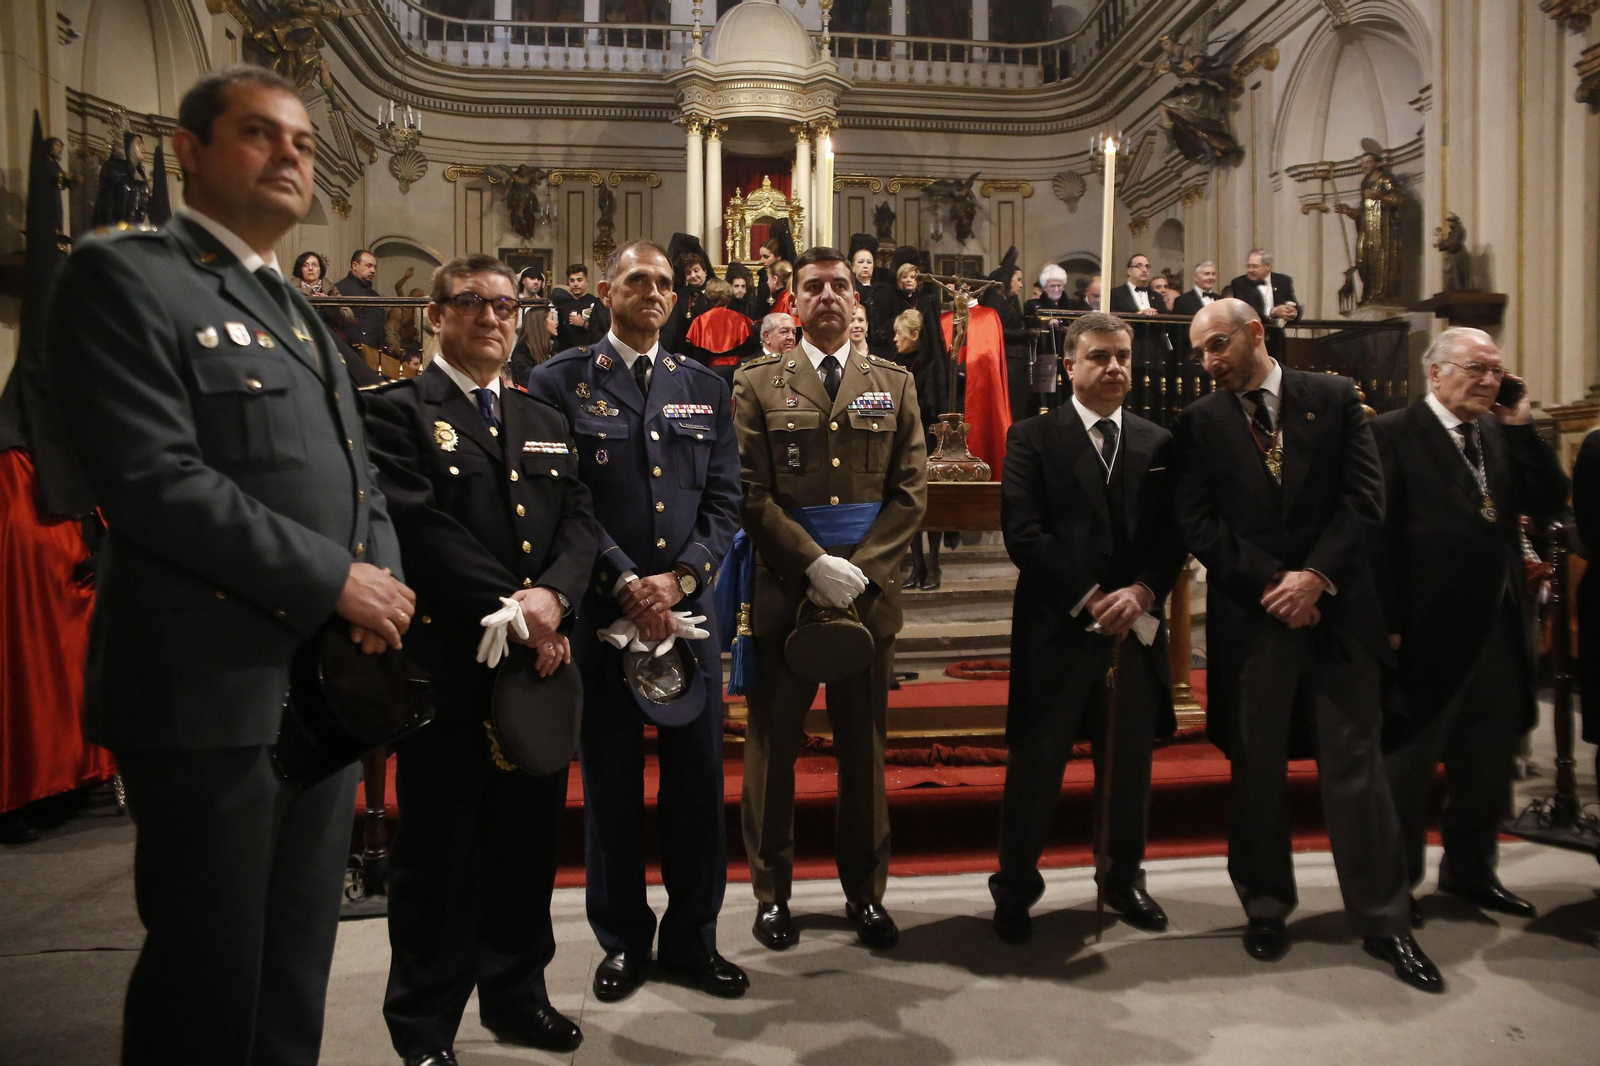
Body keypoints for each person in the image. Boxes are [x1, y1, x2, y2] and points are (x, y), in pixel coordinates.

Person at [46, 64, 417, 1064]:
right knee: (206, 979)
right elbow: (152, 479)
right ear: (188, 151)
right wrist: (335, 579)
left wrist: (379, 583)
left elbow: (358, 478)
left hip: (321, 688)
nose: (292, 156)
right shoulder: (124, 276)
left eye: (301, 142)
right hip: (208, 686)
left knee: (292, 973)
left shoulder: (296, 309)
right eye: (261, 134)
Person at [362, 254, 599, 1063]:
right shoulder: (395, 412)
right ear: (435, 315)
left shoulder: (544, 418)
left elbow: (578, 524)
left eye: (503, 305)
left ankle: (516, 995)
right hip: (449, 669)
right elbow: (418, 529)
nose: (492, 318)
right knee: (438, 856)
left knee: (525, 849)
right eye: (470, 304)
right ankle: (424, 1024)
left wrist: (557, 600)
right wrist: (518, 604)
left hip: (535, 671)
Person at [1175, 298, 1440, 992]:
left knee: (1357, 770)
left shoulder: (1333, 396)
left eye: (1219, 345)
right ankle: (1265, 907)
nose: (1209, 362)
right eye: (1201, 351)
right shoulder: (1200, 423)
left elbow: (1364, 499)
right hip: (1255, 619)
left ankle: (1384, 919)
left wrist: (1317, 579)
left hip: (1340, 614)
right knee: (1257, 770)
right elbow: (1200, 524)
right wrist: (1275, 584)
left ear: (1256, 333)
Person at [527, 241, 747, 1005]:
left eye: (663, 283)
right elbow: (563, 501)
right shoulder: (559, 381)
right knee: (613, 787)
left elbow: (724, 502)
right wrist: (624, 580)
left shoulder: (704, 388)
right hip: (601, 616)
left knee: (697, 787)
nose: (653, 292)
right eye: (637, 281)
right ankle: (623, 940)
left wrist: (682, 577)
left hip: (687, 617)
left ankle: (694, 940)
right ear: (605, 292)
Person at [732, 246, 928, 952]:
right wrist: (814, 564)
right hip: (787, 590)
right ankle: (772, 891)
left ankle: (864, 893)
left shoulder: (894, 382)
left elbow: (910, 495)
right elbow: (749, 492)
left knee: (864, 750)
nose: (827, 296)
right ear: (793, 299)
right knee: (772, 749)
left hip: (868, 600)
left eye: (839, 285)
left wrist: (862, 572)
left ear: (856, 299)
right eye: (813, 286)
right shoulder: (757, 382)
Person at [991, 311, 1186, 942]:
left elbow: (1173, 535)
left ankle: (1124, 878)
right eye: (1100, 356)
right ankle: (1016, 887)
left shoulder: (1160, 442)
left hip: (1134, 627)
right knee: (1038, 763)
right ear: (1069, 365)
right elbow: (1025, 533)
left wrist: (1142, 591)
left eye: (1123, 356)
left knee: (1128, 766)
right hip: (1058, 624)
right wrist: (1089, 596)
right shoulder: (1031, 439)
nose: (1114, 368)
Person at [1372, 327, 1568, 925]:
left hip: (1499, 632)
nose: (1489, 381)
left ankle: (1472, 872)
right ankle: (1393, 892)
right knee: (1406, 773)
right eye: (1476, 369)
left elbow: (1552, 501)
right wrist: (1387, 626)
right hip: (1423, 633)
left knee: (1486, 766)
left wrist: (1521, 426)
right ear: (1435, 372)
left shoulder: (1497, 434)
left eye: (1496, 371)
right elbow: (1373, 538)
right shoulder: (1390, 434)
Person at [895, 309, 944, 590]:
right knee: (908, 504)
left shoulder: (930, 366)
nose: (895, 339)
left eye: (899, 334)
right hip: (903, 440)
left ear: (915, 335)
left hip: (927, 439)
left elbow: (931, 405)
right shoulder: (896, 362)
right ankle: (917, 564)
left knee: (932, 505)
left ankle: (934, 563)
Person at [1228, 250, 1300, 363]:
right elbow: (1245, 309)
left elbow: (1296, 307)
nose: (1250, 270)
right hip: (1251, 340)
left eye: (1255, 267)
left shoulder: (1283, 281)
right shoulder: (1239, 283)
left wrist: (1291, 312)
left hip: (1276, 341)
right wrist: (1273, 312)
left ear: (1268, 266)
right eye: (1248, 266)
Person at [684, 277, 758, 384]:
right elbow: (750, 348)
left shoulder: (699, 321)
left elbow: (696, 354)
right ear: (728, 296)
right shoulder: (741, 319)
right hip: (738, 373)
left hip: (710, 373)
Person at [335, 248, 385, 348]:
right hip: (350, 351)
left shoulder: (374, 295)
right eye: (368, 266)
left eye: (374, 267)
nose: (373, 270)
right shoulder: (339, 290)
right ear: (355, 266)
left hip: (374, 353)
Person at [552, 263, 606, 352]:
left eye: (579, 280)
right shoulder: (563, 305)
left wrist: (583, 323)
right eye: (572, 281)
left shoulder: (596, 303)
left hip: (588, 352)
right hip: (566, 353)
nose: (575, 284)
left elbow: (602, 331)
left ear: (587, 281)